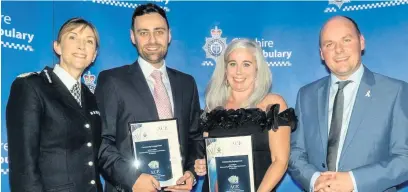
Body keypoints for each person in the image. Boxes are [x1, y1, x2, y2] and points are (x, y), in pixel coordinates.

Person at [288, 15, 408, 192]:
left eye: (346, 40)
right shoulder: (306, 95)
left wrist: (354, 181)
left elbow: (404, 157)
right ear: (321, 53)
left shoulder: (396, 91)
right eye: (329, 44)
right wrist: (314, 181)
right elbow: (295, 152)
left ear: (361, 42)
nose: (338, 50)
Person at [95, 3, 203, 192]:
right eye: (143, 32)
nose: (152, 40)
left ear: (169, 35)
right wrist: (133, 179)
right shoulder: (112, 80)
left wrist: (190, 174)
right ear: (133, 37)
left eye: (159, 31)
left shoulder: (187, 83)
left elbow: (195, 137)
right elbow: (102, 142)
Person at [6, 18, 102, 192]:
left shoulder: (90, 96)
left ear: (94, 54)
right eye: (73, 37)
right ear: (57, 46)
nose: (81, 46)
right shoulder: (31, 86)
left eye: (89, 41)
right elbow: (23, 168)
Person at [194, 38, 297, 192]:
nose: (238, 72)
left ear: (257, 69)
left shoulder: (273, 105)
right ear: (225, 69)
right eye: (233, 64)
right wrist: (202, 164)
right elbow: (210, 159)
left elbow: (280, 161)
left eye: (246, 64)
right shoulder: (212, 109)